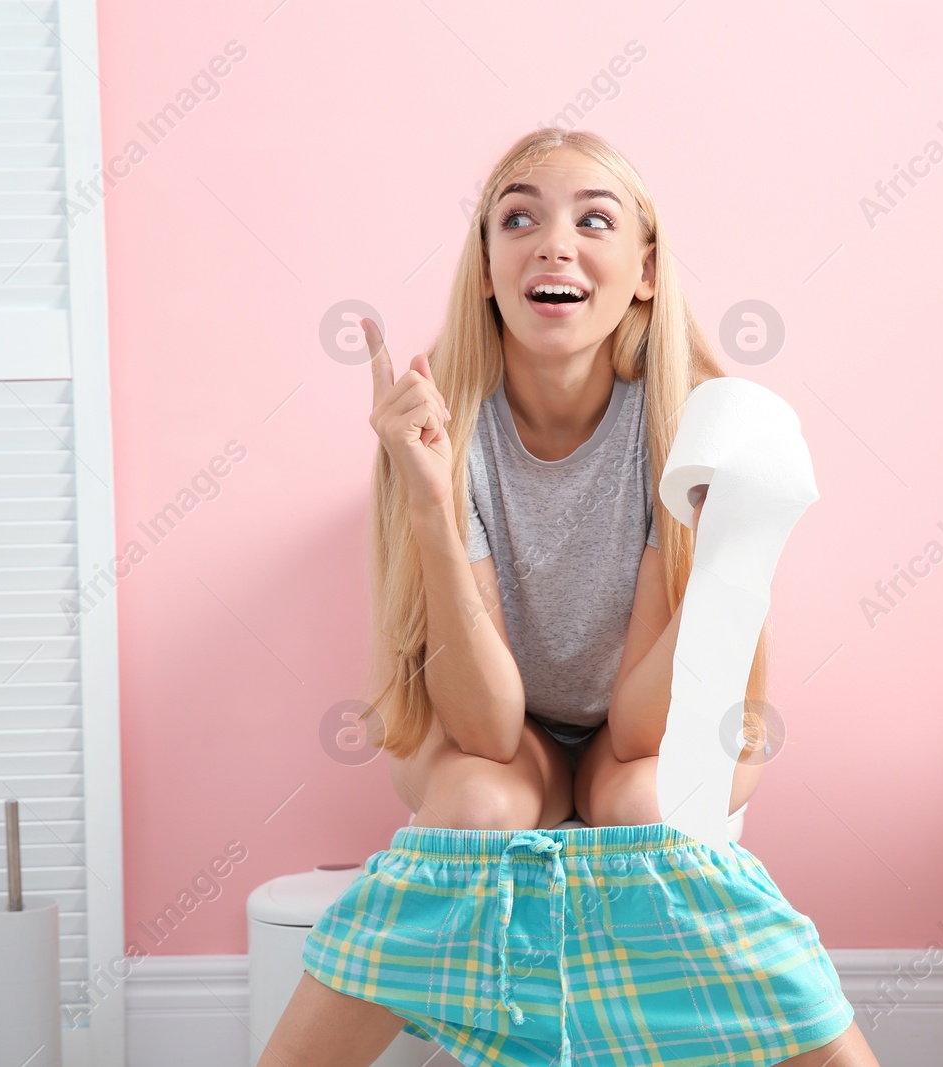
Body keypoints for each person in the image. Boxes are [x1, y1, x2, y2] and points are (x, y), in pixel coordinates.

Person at [262, 128, 880, 1067]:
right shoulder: (439, 430)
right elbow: (486, 723)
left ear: (644, 270)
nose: (554, 242)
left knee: (650, 810)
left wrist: (726, 555)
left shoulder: (689, 420)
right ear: (485, 270)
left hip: (664, 721)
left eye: (595, 218)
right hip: (499, 731)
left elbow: (637, 733)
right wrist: (429, 505)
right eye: (520, 218)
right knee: (478, 811)